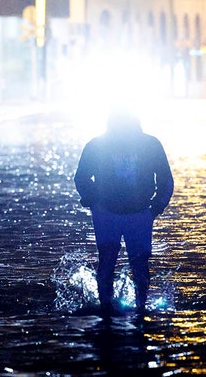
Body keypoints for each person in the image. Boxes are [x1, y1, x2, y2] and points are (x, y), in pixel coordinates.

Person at [74, 109, 174, 316]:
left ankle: (111, 309)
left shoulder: (100, 144)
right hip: (123, 213)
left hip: (122, 213)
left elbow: (81, 178)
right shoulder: (148, 144)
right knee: (129, 261)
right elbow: (81, 178)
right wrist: (155, 207)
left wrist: (155, 208)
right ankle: (137, 309)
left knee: (117, 261)